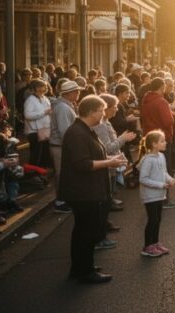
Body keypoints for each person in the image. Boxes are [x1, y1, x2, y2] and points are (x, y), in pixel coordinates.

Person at [59, 96, 126, 284]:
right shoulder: (76, 133)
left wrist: (109, 162)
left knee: (85, 231)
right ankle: (84, 271)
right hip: (82, 192)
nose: (104, 114)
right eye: (102, 111)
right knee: (85, 232)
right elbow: (82, 164)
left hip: (88, 191)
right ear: (92, 111)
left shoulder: (85, 130)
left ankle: (82, 267)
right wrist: (109, 162)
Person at [140, 78, 175, 209]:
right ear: (161, 87)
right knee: (164, 168)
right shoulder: (161, 101)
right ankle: (164, 199)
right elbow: (168, 121)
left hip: (150, 137)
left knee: (153, 169)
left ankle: (155, 199)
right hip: (162, 138)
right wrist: (173, 117)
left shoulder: (146, 100)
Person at [138, 130, 175, 257]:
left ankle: (155, 243)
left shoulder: (161, 156)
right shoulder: (147, 160)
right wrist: (161, 185)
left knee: (158, 219)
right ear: (154, 144)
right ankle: (147, 247)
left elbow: (163, 172)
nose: (165, 143)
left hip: (159, 194)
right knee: (152, 220)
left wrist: (169, 179)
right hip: (150, 196)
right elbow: (143, 179)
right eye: (162, 141)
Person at [50, 80, 83, 214]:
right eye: (77, 91)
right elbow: (65, 131)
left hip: (62, 145)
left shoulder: (66, 105)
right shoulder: (63, 107)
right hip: (59, 145)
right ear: (69, 93)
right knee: (61, 174)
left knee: (65, 173)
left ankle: (64, 199)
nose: (78, 93)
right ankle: (60, 202)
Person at [23, 79, 52, 169]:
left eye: (44, 87)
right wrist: (44, 112)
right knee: (36, 156)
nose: (42, 89)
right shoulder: (30, 100)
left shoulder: (45, 98)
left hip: (44, 130)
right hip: (34, 132)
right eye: (39, 87)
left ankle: (41, 175)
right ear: (34, 88)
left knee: (44, 155)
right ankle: (32, 177)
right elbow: (28, 115)